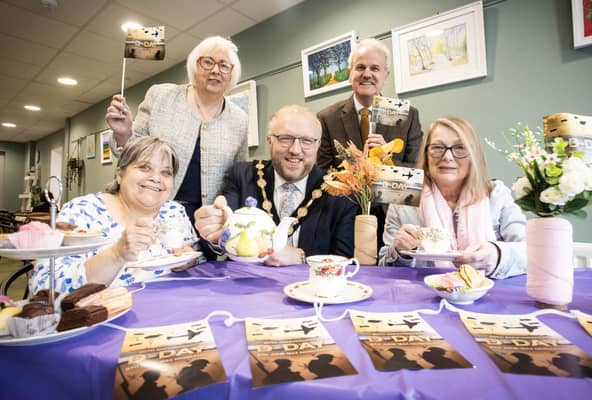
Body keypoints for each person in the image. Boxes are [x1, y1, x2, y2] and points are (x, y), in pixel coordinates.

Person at [105, 36, 249, 223]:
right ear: (194, 66)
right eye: (207, 62)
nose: (215, 70)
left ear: (232, 73)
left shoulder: (240, 119)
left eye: (224, 65)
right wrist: (122, 134)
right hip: (147, 210)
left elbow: (238, 174)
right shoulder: (161, 96)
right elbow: (132, 152)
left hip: (204, 222)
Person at [30, 137, 198, 294]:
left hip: (171, 312)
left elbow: (196, 259)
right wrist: (117, 254)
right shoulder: (82, 211)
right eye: (144, 167)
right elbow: (44, 287)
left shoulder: (174, 211)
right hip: (103, 319)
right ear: (119, 174)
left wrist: (189, 261)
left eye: (166, 172)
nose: (156, 178)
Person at [194, 105, 358, 266]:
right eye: (285, 139)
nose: (295, 150)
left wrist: (302, 257)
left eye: (306, 141)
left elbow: (344, 259)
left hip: (309, 288)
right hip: (246, 286)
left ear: (317, 145)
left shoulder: (339, 191)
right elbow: (221, 235)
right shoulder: (242, 176)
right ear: (269, 141)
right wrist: (214, 233)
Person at [379, 116, 527, 279]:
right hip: (424, 297)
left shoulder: (496, 194)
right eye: (437, 147)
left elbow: (530, 252)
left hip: (489, 295)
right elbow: (385, 267)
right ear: (426, 155)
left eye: (459, 148)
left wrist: (497, 255)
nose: (448, 157)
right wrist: (400, 252)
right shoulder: (404, 201)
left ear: (473, 155)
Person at [316, 38, 423, 253]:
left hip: (393, 221)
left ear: (386, 75)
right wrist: (356, 171)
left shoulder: (407, 115)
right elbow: (323, 175)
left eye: (375, 68)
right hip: (345, 221)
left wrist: (386, 160)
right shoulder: (328, 118)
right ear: (350, 73)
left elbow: (416, 170)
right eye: (360, 67)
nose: (367, 74)